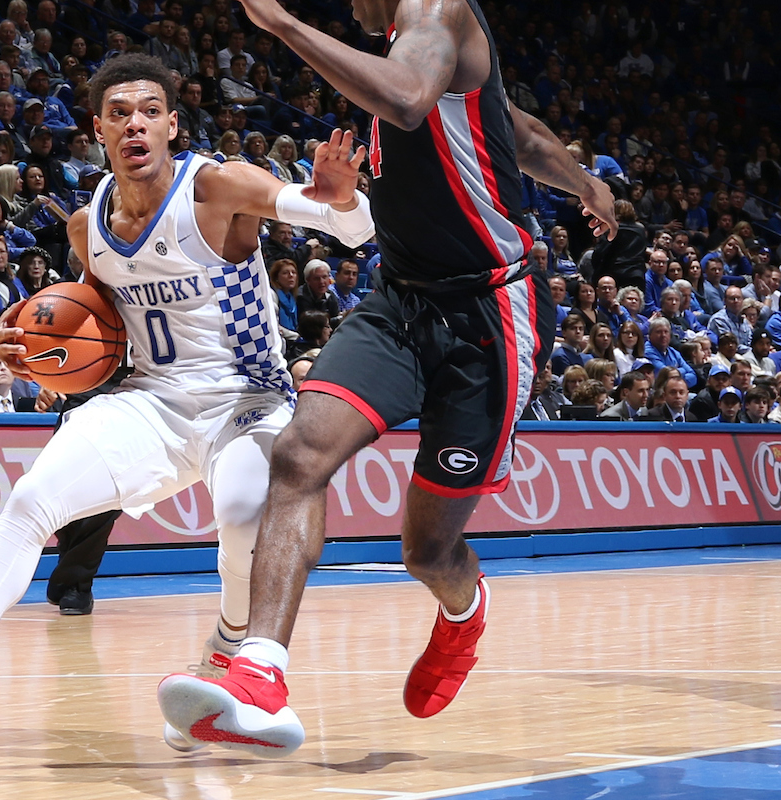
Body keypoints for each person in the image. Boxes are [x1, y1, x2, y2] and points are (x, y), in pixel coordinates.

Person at [0, 53, 377, 753]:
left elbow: (353, 231)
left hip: (245, 399)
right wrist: (31, 347)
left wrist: (344, 198)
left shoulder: (217, 186)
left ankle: (226, 666)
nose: (136, 124)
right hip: (150, 400)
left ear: (171, 124)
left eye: (150, 112)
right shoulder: (86, 226)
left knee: (247, 521)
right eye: (120, 113)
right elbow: (98, 334)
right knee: (31, 499)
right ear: (97, 127)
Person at [156, 0, 619, 757]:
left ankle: (464, 614)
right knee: (300, 454)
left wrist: (282, 26)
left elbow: (406, 102)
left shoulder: (439, 12)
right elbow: (518, 129)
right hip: (400, 300)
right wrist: (583, 184)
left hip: (490, 314)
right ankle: (259, 677)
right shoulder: (407, 45)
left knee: (426, 552)